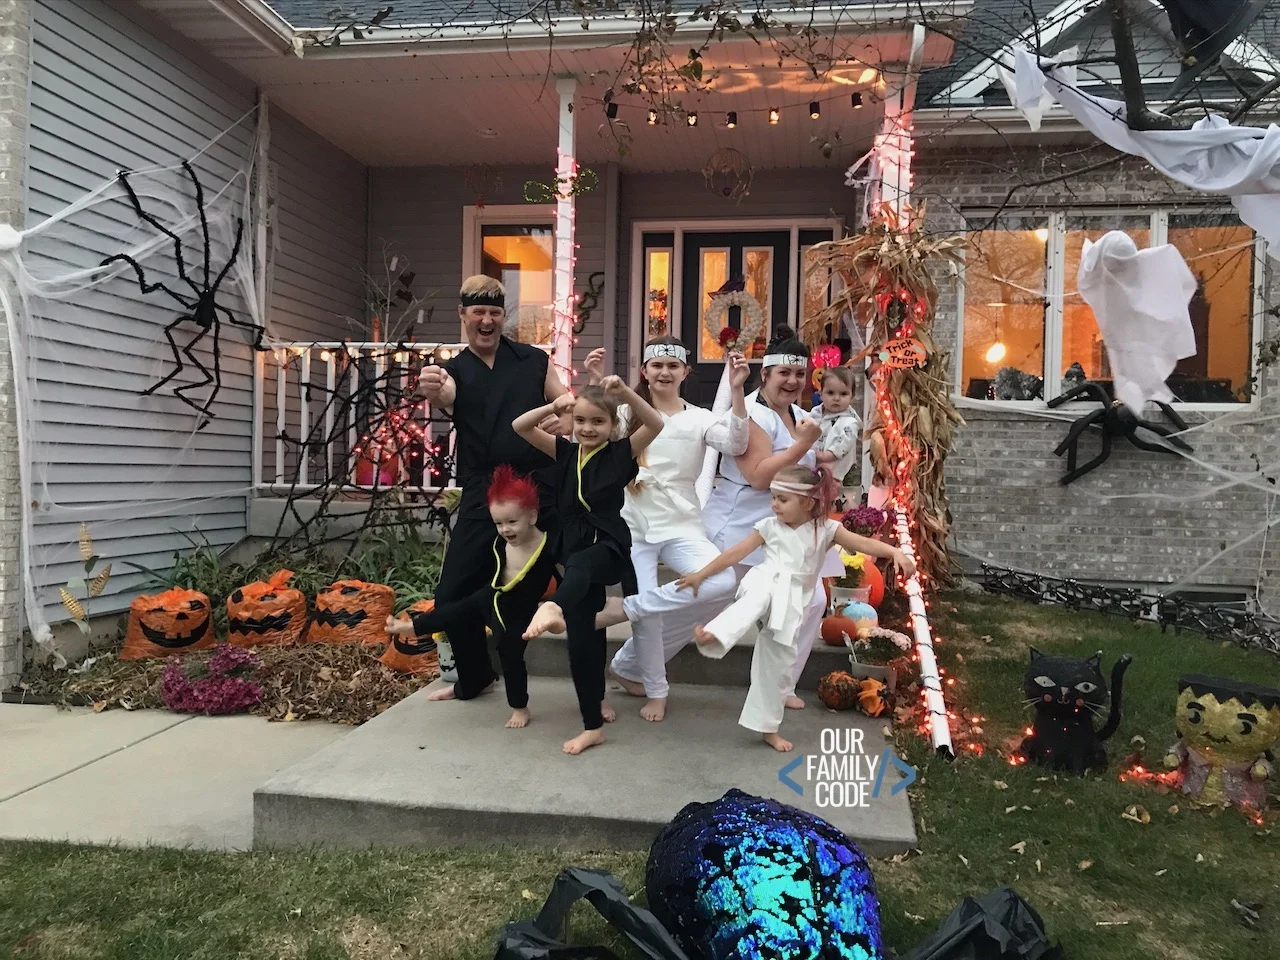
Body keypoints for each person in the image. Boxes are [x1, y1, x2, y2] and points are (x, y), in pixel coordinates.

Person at [679, 465, 916, 752]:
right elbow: (734, 553)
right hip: (766, 580)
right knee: (757, 598)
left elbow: (862, 543)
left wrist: (893, 551)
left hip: (791, 606)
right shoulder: (769, 527)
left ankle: (768, 727)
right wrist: (700, 574)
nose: (774, 505)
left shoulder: (827, 530)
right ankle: (716, 633)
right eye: (774, 498)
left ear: (808, 503)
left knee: (777, 667)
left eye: (782, 499)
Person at [415, 275, 568, 703]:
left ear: (503, 317)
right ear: (463, 316)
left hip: (543, 483)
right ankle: (476, 674)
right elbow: (443, 395)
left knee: (579, 575)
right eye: (478, 312)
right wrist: (438, 389)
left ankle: (594, 688)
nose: (487, 320)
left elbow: (567, 402)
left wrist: (567, 419)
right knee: (451, 593)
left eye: (495, 313)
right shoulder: (452, 371)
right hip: (487, 490)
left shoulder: (533, 360)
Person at [593, 337, 751, 723]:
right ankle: (656, 690)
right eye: (656, 365)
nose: (664, 372)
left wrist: (736, 390)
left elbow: (735, 441)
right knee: (649, 613)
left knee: (722, 582)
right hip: (633, 520)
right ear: (644, 371)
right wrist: (600, 385)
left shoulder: (698, 417)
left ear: (685, 372)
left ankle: (630, 611)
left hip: (681, 522)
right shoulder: (627, 413)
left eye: (672, 366)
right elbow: (596, 435)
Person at [515, 377, 664, 754]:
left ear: (612, 426)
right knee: (582, 638)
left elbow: (656, 424)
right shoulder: (564, 452)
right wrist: (554, 406)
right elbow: (521, 426)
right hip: (572, 545)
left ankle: (552, 606)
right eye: (581, 421)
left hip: (607, 545)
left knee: (582, 567)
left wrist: (625, 394)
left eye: (598, 422)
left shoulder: (620, 454)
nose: (588, 428)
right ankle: (592, 723)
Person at [699, 327, 842, 711]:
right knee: (705, 601)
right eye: (784, 374)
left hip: (789, 530)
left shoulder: (799, 414)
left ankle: (779, 686)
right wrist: (804, 446)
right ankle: (636, 662)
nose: (793, 381)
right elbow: (760, 475)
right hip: (742, 524)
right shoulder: (750, 413)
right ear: (766, 375)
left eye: (799, 374)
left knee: (811, 601)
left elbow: (803, 466)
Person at [384, 466, 555, 729]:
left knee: (510, 654)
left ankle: (519, 707)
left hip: (519, 610)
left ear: (532, 517)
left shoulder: (548, 545)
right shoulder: (498, 543)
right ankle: (412, 626)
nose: (505, 530)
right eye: (498, 523)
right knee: (455, 609)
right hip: (491, 598)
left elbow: (563, 578)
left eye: (511, 522)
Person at [805, 365, 861, 491]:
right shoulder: (814, 415)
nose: (836, 398)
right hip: (813, 470)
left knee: (833, 504)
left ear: (852, 397)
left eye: (843, 394)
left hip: (836, 475)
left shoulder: (850, 422)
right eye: (830, 393)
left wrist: (823, 456)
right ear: (820, 393)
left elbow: (841, 446)